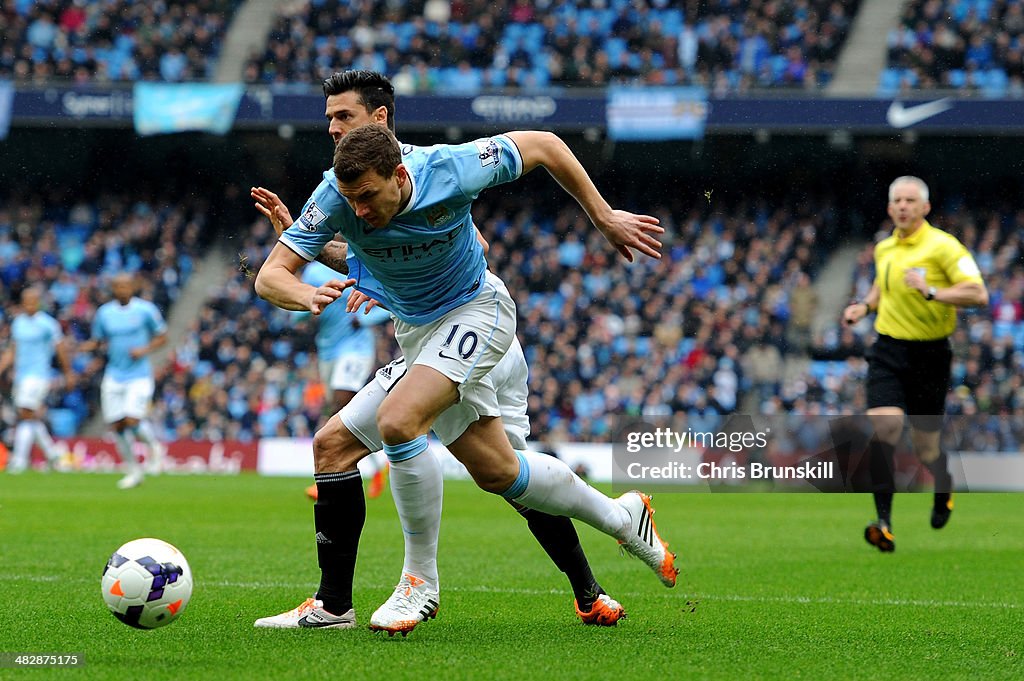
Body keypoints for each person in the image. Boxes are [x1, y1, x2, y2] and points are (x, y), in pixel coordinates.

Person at [254, 122, 675, 632]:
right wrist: (305, 294)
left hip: (478, 311)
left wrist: (604, 217)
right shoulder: (335, 195)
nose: (358, 211)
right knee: (494, 471)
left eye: (367, 197)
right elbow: (271, 274)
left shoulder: (451, 167)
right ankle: (621, 518)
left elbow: (543, 145)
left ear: (398, 172)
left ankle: (419, 583)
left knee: (399, 420)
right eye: (351, 200)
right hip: (420, 337)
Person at [843, 176, 988, 552]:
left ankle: (944, 484)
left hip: (930, 355)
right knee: (886, 426)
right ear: (890, 208)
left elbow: (978, 292)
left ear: (925, 207)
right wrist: (865, 306)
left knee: (926, 450)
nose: (904, 206)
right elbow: (881, 285)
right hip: (888, 349)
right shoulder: (884, 248)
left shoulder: (943, 247)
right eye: (898, 201)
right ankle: (884, 523)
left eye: (911, 200)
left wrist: (934, 291)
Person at [301, 260, 392, 500]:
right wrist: (302, 314)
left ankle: (330, 478)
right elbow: (301, 305)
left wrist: (363, 320)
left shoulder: (361, 265)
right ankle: (381, 461)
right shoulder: (314, 271)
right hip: (327, 349)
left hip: (357, 348)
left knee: (341, 404)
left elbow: (390, 302)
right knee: (338, 411)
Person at [86, 273, 168, 489]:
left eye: (125, 286)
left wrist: (144, 349)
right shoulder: (105, 313)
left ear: (133, 287)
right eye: (117, 286)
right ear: (113, 289)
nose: (122, 290)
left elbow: (162, 336)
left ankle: (154, 447)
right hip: (114, 374)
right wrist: (82, 347)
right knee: (118, 425)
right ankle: (133, 470)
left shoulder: (145, 310)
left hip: (139, 375)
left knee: (132, 419)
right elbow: (98, 340)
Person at [0, 287, 74, 473]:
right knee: (29, 416)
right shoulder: (18, 323)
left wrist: (68, 372)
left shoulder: (48, 324)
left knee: (25, 412)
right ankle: (53, 455)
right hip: (21, 376)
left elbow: (60, 348)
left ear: (39, 302)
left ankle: (19, 460)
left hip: (40, 375)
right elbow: (12, 350)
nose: (30, 305)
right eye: (26, 301)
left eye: (33, 301)